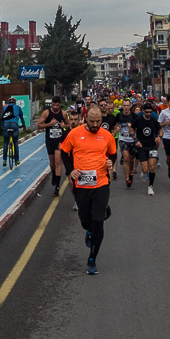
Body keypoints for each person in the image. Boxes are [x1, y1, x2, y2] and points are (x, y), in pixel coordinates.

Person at [60, 105, 117, 274]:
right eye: (92, 122)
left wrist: (110, 162)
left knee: (98, 221)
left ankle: (92, 258)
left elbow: (113, 153)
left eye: (98, 121)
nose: (95, 125)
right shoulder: (75, 134)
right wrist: (70, 170)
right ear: (86, 119)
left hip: (101, 183)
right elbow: (64, 152)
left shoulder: (106, 136)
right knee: (86, 220)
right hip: (82, 185)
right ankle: (89, 230)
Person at [37, 96, 68, 195]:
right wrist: (50, 124)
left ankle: (57, 186)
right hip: (50, 140)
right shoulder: (46, 113)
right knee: (52, 162)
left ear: (60, 104)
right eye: (53, 105)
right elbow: (39, 125)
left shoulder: (63, 114)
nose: (55, 107)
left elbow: (69, 125)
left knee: (58, 161)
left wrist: (64, 126)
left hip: (59, 140)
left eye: (57, 105)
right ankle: (54, 174)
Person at [132, 101, 161, 195]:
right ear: (143, 111)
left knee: (152, 167)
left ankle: (150, 187)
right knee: (145, 169)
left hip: (152, 145)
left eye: (150, 112)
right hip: (142, 146)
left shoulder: (153, 120)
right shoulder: (138, 120)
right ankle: (143, 173)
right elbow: (131, 129)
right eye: (147, 112)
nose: (148, 114)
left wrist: (158, 137)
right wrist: (136, 140)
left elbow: (160, 130)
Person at [1, 98, 26, 169]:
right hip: (14, 125)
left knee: (6, 142)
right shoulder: (18, 107)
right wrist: (24, 125)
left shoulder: (5, 108)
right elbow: (21, 117)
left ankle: (4, 160)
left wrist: (2, 126)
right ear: (15, 102)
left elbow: (2, 118)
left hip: (6, 125)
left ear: (8, 102)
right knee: (15, 142)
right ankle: (17, 160)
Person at [117, 101, 137, 187]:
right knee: (125, 158)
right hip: (123, 139)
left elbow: (138, 128)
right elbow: (116, 125)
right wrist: (117, 128)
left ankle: (130, 173)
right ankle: (127, 179)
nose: (126, 107)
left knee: (131, 159)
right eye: (124, 105)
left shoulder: (134, 116)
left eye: (127, 105)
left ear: (130, 106)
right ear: (122, 106)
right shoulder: (119, 115)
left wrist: (132, 127)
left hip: (132, 140)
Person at [99, 100, 120, 180]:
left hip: (110, 141)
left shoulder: (112, 117)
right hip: (100, 142)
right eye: (101, 105)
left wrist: (114, 134)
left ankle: (112, 174)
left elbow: (115, 128)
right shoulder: (98, 118)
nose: (104, 106)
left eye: (105, 105)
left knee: (112, 157)